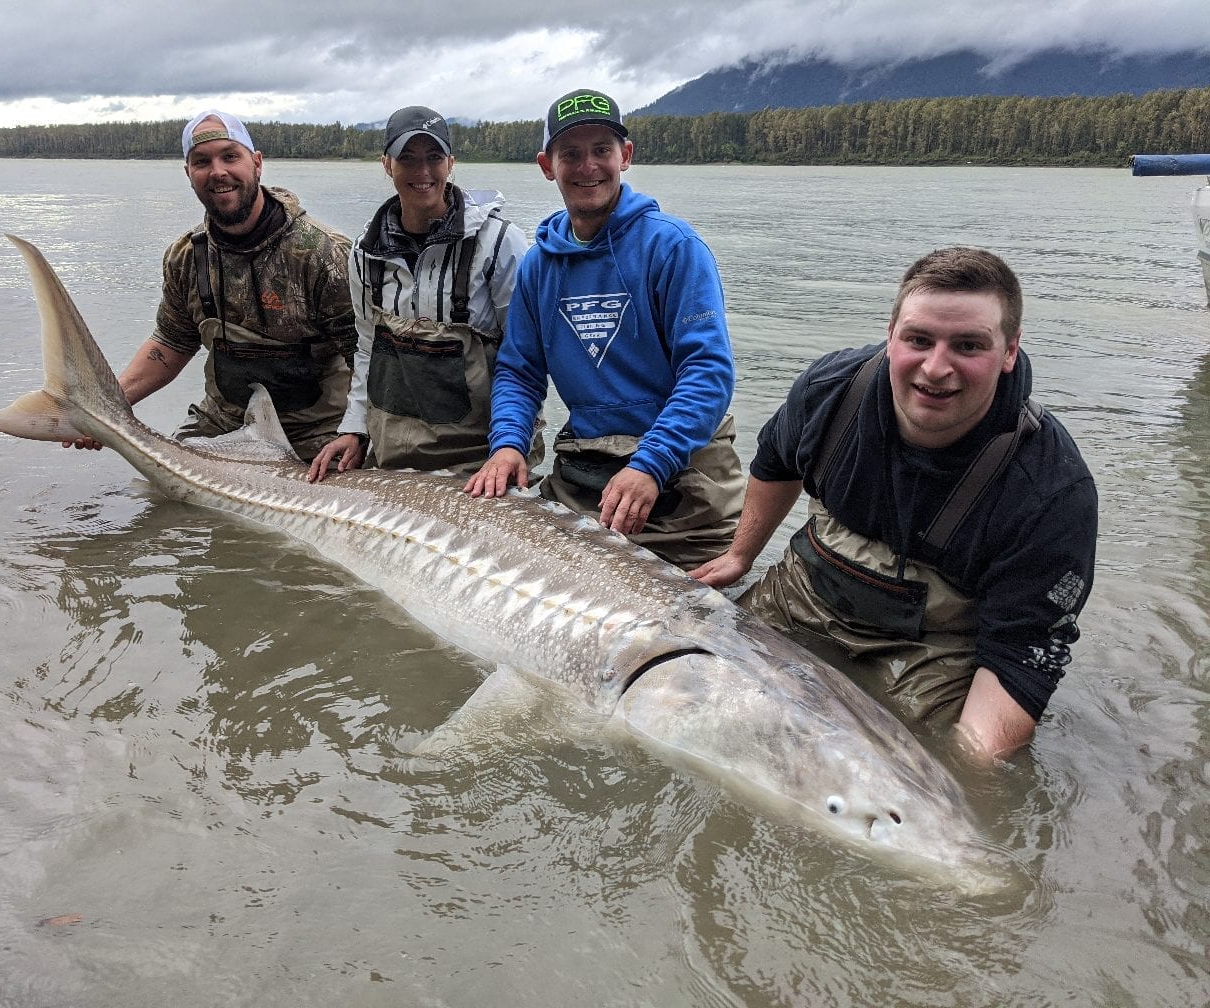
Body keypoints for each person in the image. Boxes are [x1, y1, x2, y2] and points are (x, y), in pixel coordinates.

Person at [689, 247, 1099, 765]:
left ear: (1010, 350)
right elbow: (776, 460)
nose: (936, 367)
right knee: (700, 680)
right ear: (891, 335)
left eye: (968, 345)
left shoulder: (1051, 489)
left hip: (933, 649)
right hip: (806, 594)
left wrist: (975, 774)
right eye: (919, 340)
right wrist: (740, 556)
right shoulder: (832, 390)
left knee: (962, 764)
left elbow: (1024, 652)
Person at [464, 88, 745, 570]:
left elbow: (708, 373)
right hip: (586, 471)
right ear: (546, 165)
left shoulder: (674, 247)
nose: (588, 166)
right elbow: (519, 371)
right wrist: (508, 444)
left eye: (602, 150)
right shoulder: (537, 266)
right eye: (570, 153)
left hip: (682, 478)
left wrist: (651, 465)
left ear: (626, 156)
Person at [65, 109, 356, 461]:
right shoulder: (186, 257)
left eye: (230, 156)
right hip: (222, 424)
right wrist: (106, 408)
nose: (218, 172)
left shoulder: (325, 253)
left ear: (257, 163)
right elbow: (171, 343)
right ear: (189, 174)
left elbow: (367, 360)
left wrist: (360, 431)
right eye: (202, 161)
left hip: (317, 432)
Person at [308, 105, 536, 481]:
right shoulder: (366, 250)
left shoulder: (498, 243)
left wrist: (509, 446)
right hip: (391, 454)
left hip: (479, 459)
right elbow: (368, 347)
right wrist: (354, 429)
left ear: (451, 163)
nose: (423, 172)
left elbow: (524, 358)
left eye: (434, 158)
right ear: (386, 164)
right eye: (408, 159)